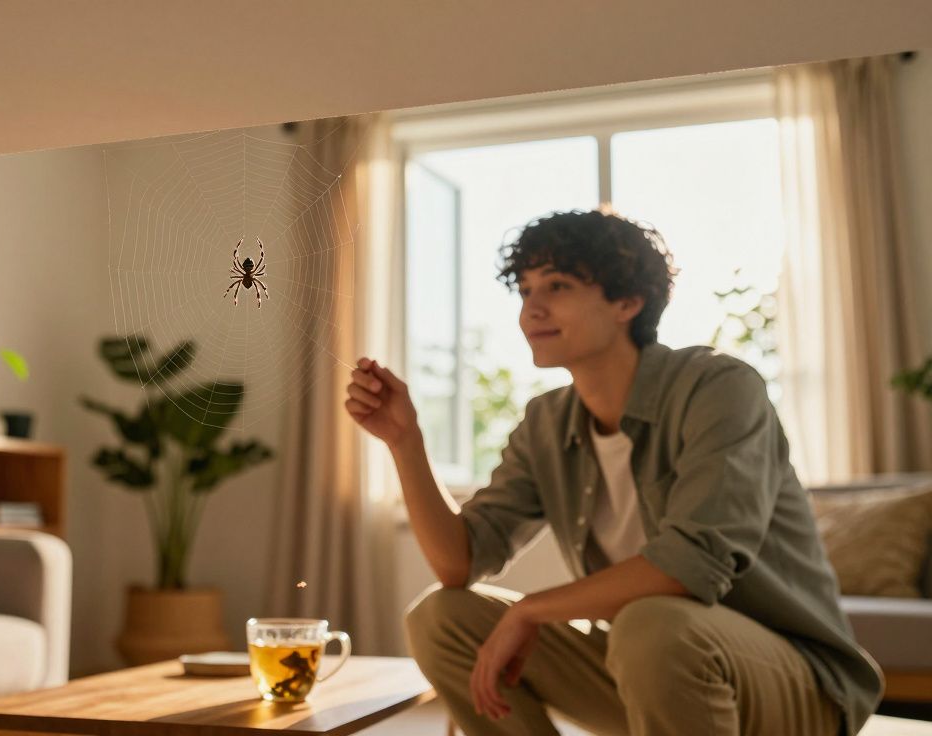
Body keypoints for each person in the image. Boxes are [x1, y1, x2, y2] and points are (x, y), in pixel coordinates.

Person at [344, 210, 881, 736]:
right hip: (648, 671)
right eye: (525, 290)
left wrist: (531, 610)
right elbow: (459, 565)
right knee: (441, 618)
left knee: (651, 624)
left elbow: (690, 565)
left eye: (556, 286)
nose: (532, 309)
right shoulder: (546, 423)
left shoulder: (719, 388)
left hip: (797, 686)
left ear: (628, 300)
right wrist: (405, 443)